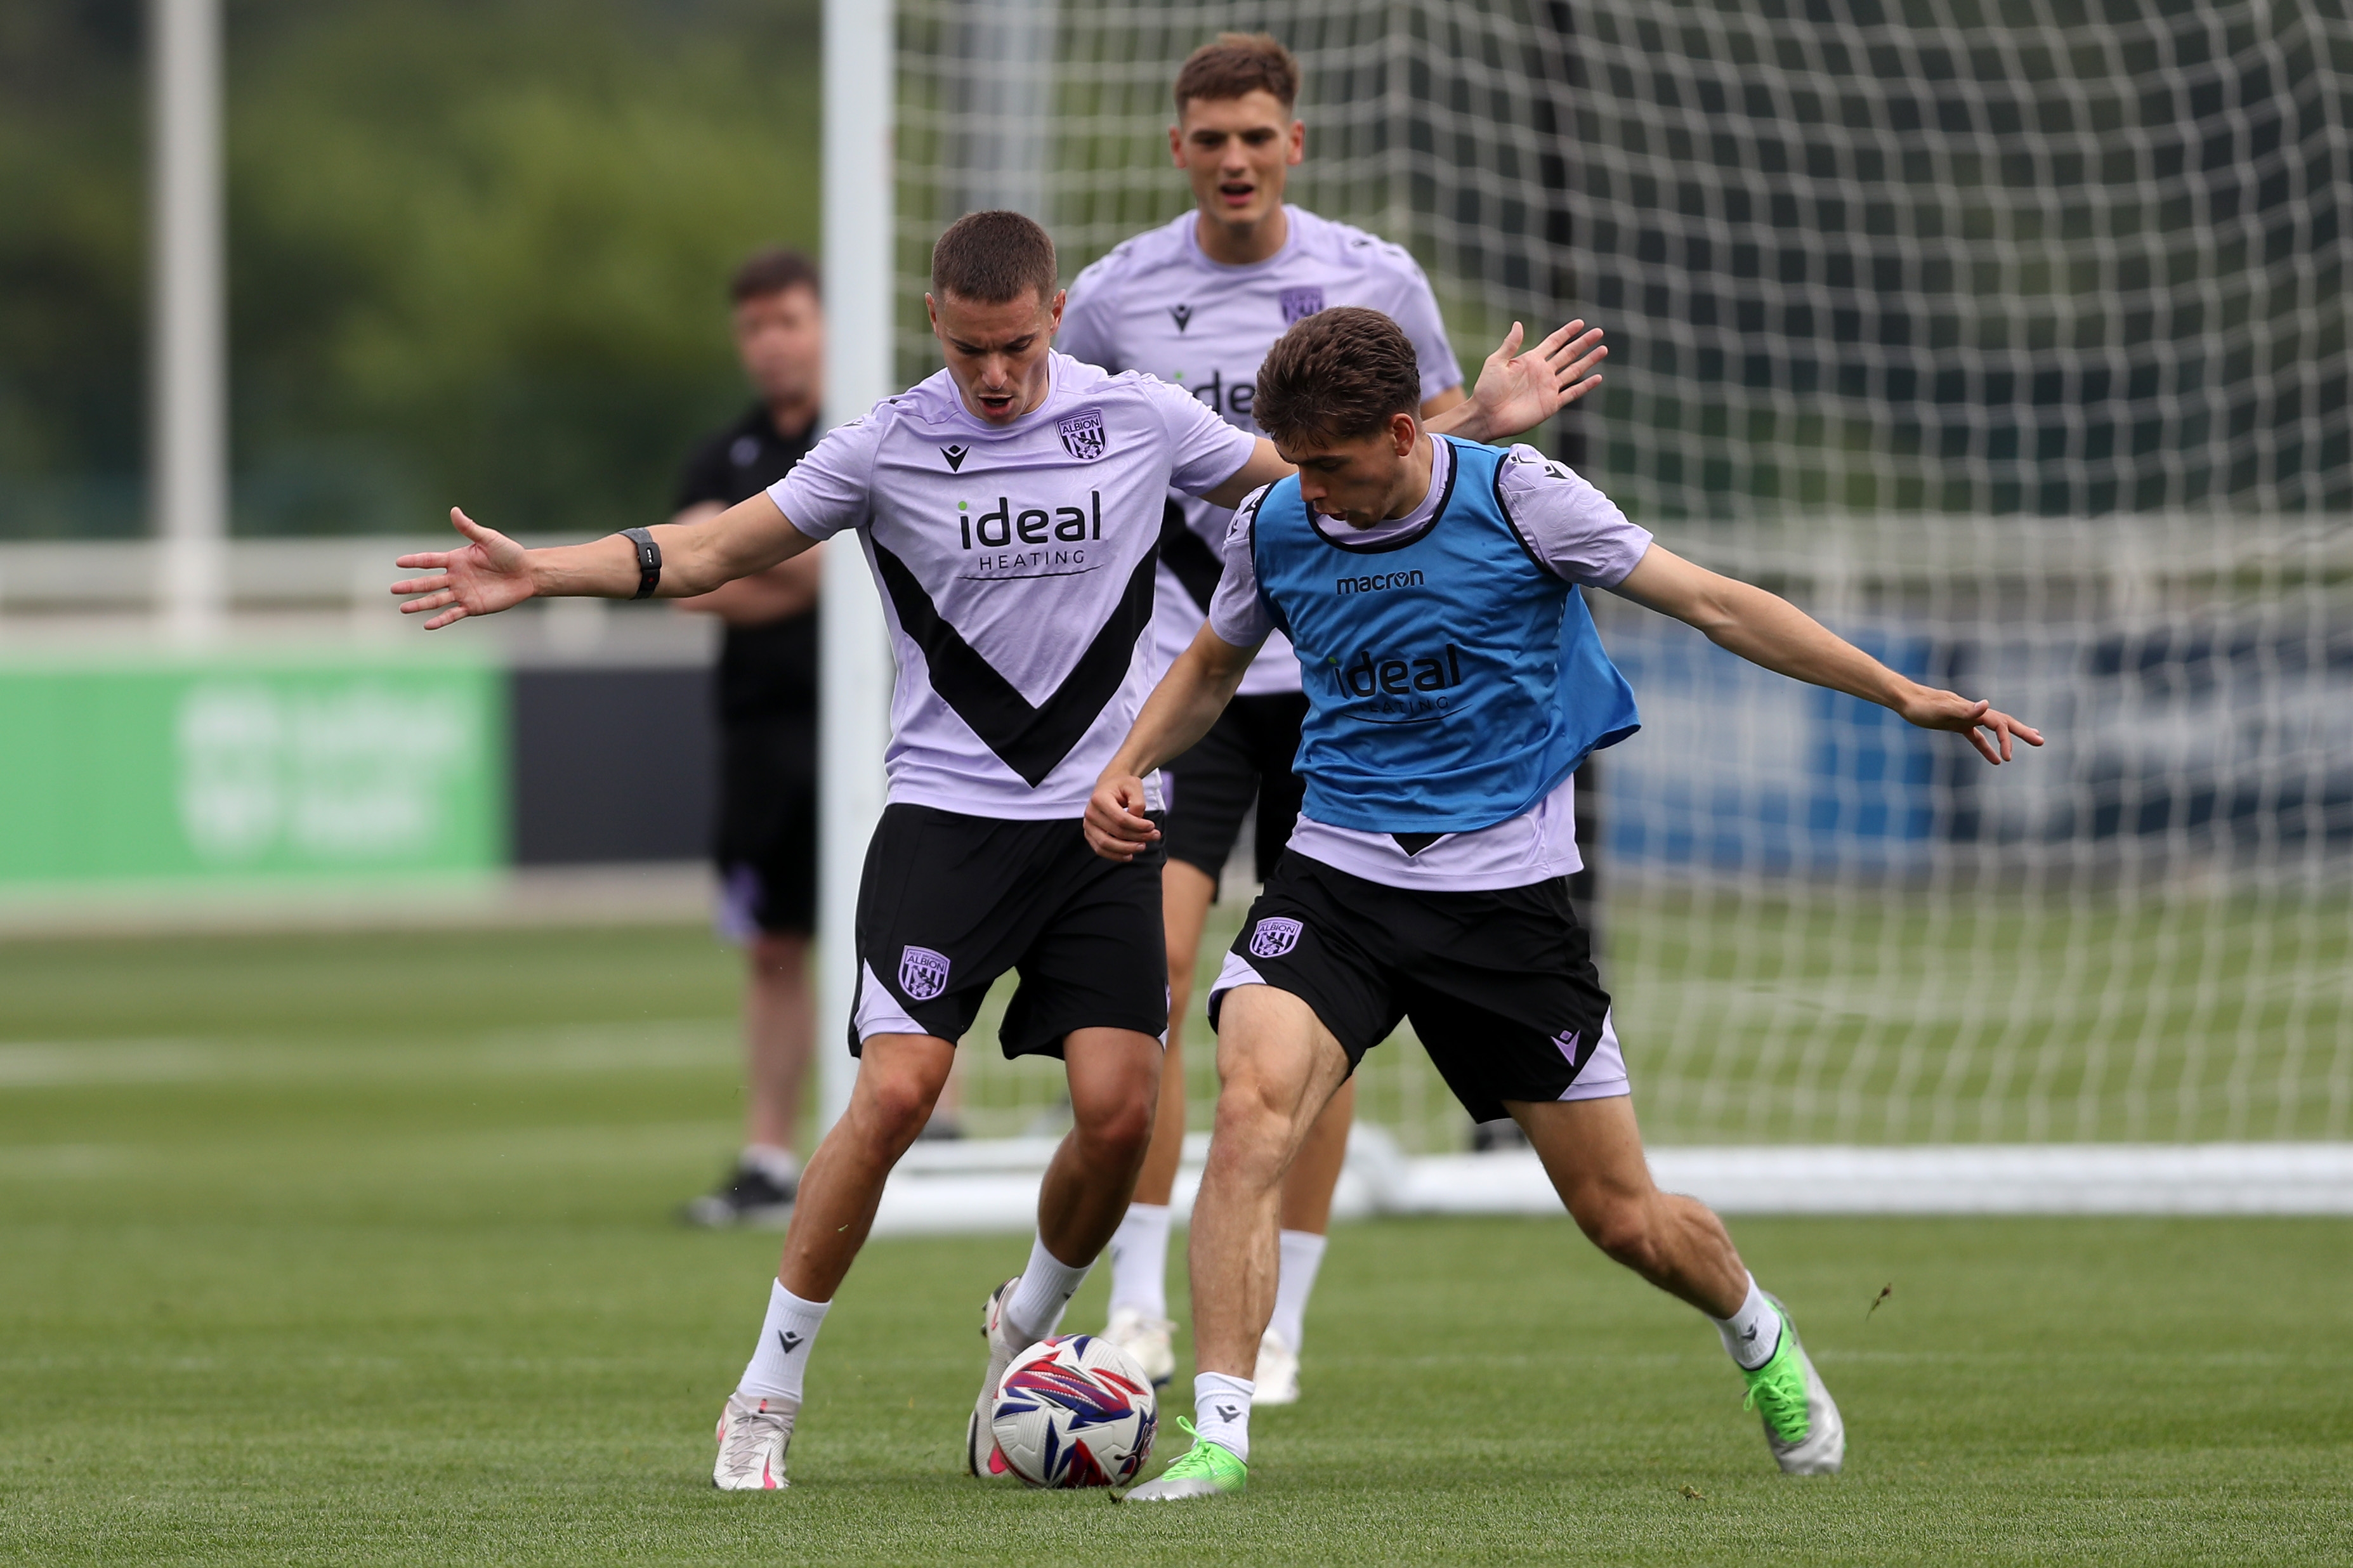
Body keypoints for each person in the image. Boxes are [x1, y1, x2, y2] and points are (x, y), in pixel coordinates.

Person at [390, 212, 1576, 1493]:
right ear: (932, 324)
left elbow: (1317, 482)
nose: (994, 375)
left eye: (1013, 346)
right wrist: (546, 572)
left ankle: (1027, 1324)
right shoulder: (887, 443)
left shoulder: (1139, 418)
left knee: (1122, 1118)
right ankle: (766, 1393)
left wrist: (1480, 426)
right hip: (947, 825)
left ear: (1055, 316)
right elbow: (716, 550)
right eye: (968, 352)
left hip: (1103, 826)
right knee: (895, 1098)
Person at [1083, 307, 2043, 1499]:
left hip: (1504, 902)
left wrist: (1901, 695)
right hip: (1336, 876)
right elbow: (1213, 667)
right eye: (1294, 465)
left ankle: (1757, 1330)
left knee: (1623, 1217)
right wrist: (1128, 765)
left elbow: (1715, 604)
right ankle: (1218, 1436)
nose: (1308, 491)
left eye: (1329, 465)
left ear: (1399, 431)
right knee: (1250, 1113)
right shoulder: (1277, 521)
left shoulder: (1522, 497)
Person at [1055, 32, 1608, 1402]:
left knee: (1317, 1011)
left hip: (1357, 704)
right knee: (1155, 985)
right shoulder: (1117, 298)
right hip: (1203, 682)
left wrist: (1494, 412)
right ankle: (1137, 1310)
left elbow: (1423, 445)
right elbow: (1062, 439)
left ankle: (1283, 1321)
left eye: (1256, 135)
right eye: (1208, 138)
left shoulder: (1377, 277)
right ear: (1176, 148)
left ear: (1293, 142)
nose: (1234, 158)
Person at [668, 247, 828, 1229]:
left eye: (789, 322)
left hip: (867, 726)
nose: (771, 344)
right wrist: (753, 565)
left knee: (898, 933)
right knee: (771, 944)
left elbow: (812, 570)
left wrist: (735, 564)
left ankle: (936, 1125)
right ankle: (768, 1152)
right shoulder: (717, 455)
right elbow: (688, 580)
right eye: (754, 328)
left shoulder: (865, 438)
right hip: (760, 735)